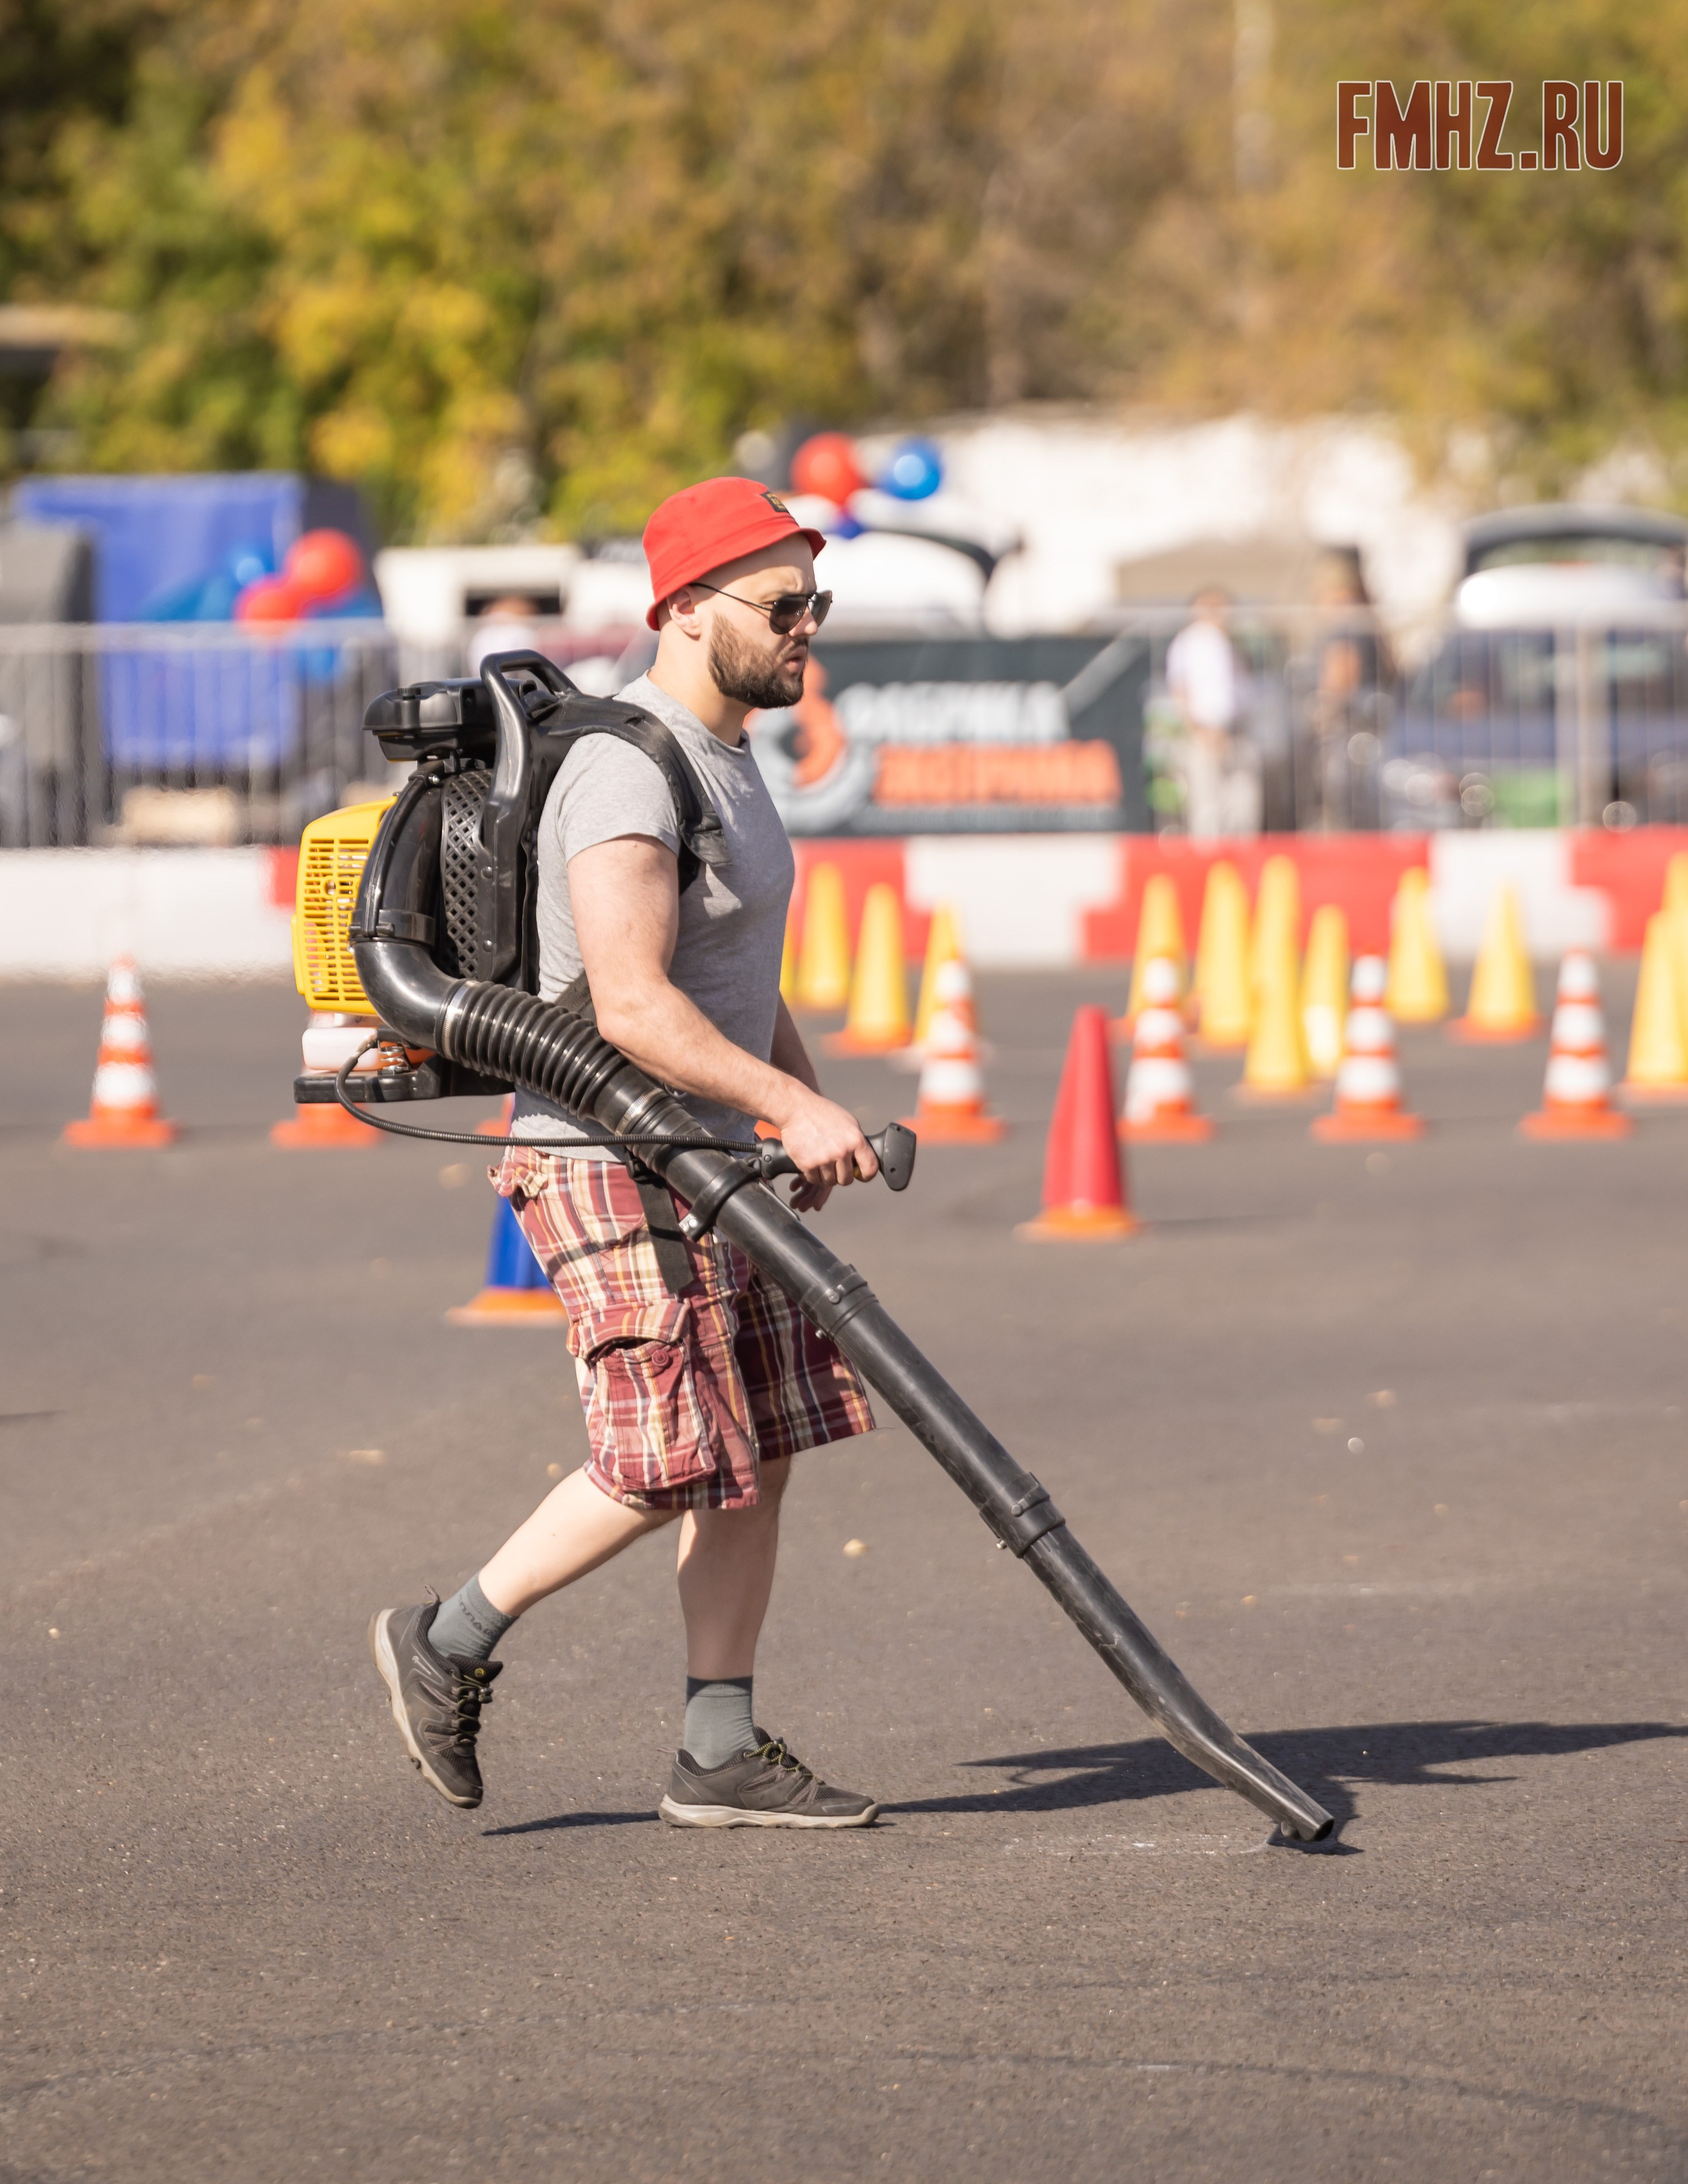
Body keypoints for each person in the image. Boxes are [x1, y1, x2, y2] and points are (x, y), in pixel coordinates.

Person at [369, 477, 885, 1829]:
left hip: (714, 1154)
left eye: (813, 604)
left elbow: (729, 973)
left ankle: (718, 1747)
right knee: (668, 1454)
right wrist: (782, 1103)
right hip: (604, 1151)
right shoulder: (624, 765)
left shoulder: (732, 756)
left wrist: (796, 1108)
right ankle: (448, 1636)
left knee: (757, 1449)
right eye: (781, 607)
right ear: (684, 608)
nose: (804, 631)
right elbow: (630, 1003)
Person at [1162, 589, 1259, 841]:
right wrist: (1200, 729)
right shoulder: (1190, 642)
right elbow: (1181, 690)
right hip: (1203, 733)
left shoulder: (1231, 644)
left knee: (1241, 801)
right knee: (1207, 805)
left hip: (1234, 733)